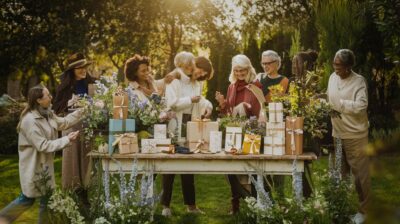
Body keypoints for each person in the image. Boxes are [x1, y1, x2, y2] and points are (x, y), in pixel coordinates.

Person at [0, 85, 82, 223]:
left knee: (46, 199)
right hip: (33, 167)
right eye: (47, 95)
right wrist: (67, 139)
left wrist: (85, 110)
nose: (51, 97)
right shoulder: (29, 121)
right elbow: (43, 145)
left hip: (45, 166)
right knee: (27, 200)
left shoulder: (47, 114)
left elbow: (64, 122)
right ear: (38, 100)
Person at [161, 52, 213, 217]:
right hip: (174, 125)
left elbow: (201, 100)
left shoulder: (196, 83)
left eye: (204, 74)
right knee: (169, 167)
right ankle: (165, 206)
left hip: (191, 126)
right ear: (191, 65)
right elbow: (172, 104)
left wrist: (208, 106)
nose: (200, 75)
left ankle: (191, 205)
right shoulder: (174, 80)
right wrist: (191, 99)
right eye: (200, 70)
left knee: (188, 167)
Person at [215, 54, 263, 214]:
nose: (239, 74)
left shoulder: (256, 85)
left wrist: (245, 108)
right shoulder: (232, 86)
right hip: (233, 132)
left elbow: (259, 111)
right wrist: (223, 104)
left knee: (252, 169)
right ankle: (235, 205)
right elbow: (229, 112)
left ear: (249, 69)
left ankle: (255, 204)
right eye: (236, 71)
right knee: (231, 169)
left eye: (242, 70)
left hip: (252, 133)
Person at [327, 49, 369, 224]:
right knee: (339, 174)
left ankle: (365, 212)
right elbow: (330, 98)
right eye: (334, 64)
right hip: (337, 133)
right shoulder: (332, 77)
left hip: (355, 135)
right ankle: (340, 209)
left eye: (339, 66)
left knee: (360, 176)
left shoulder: (358, 81)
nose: (335, 68)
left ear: (349, 66)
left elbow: (361, 105)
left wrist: (340, 104)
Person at [52, 52, 95, 207]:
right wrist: (70, 103)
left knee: (86, 159)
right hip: (70, 127)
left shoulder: (91, 83)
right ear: (72, 70)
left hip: (88, 126)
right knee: (72, 160)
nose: (83, 70)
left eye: (84, 67)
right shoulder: (65, 87)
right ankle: (73, 194)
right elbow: (56, 109)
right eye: (79, 68)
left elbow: (99, 102)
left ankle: (86, 193)